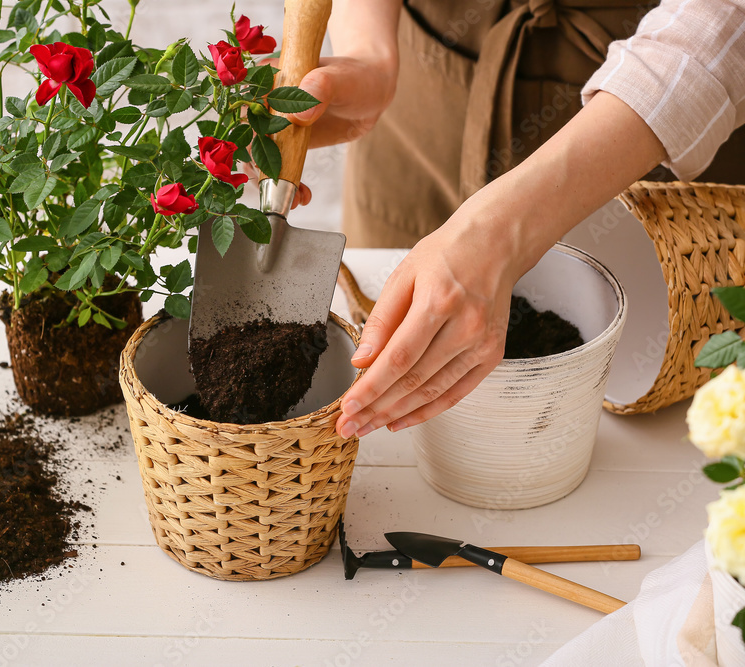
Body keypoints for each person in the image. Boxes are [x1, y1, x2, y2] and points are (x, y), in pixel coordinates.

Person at [282, 0, 745, 439]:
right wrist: (369, 51)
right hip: (422, 80)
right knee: (403, 339)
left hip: (631, 122)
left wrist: (500, 230)